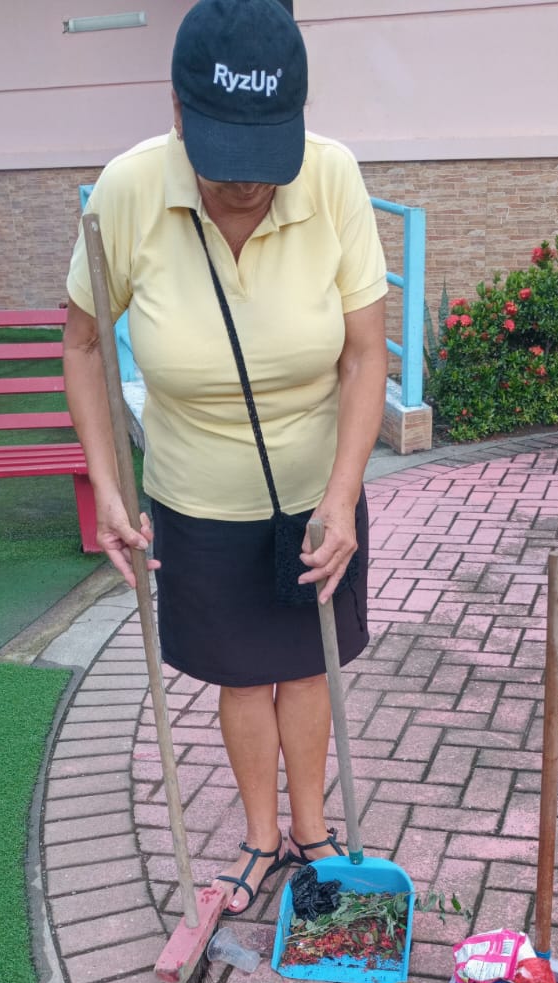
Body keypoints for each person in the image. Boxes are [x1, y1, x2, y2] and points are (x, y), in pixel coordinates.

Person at [63, 0, 388, 917]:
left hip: (317, 492)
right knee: (245, 674)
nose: (246, 186)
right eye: (224, 159)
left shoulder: (332, 176)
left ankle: (313, 831)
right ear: (179, 111)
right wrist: (108, 485)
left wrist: (343, 495)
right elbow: (82, 345)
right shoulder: (128, 191)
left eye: (263, 158)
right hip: (198, 497)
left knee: (308, 666)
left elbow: (366, 355)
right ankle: (259, 835)